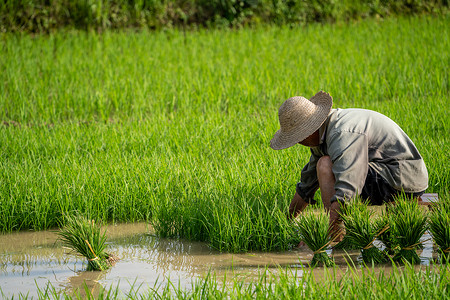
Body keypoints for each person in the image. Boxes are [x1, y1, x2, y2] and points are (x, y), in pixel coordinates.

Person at [270, 91, 428, 241]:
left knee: (325, 165)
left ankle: (337, 236)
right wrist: (285, 223)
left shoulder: (341, 134)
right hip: (387, 172)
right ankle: (337, 232)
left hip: (403, 177)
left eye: (298, 138)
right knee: (322, 164)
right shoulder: (323, 134)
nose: (298, 143)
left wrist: (326, 236)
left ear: (308, 131)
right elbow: (307, 185)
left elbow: (348, 189)